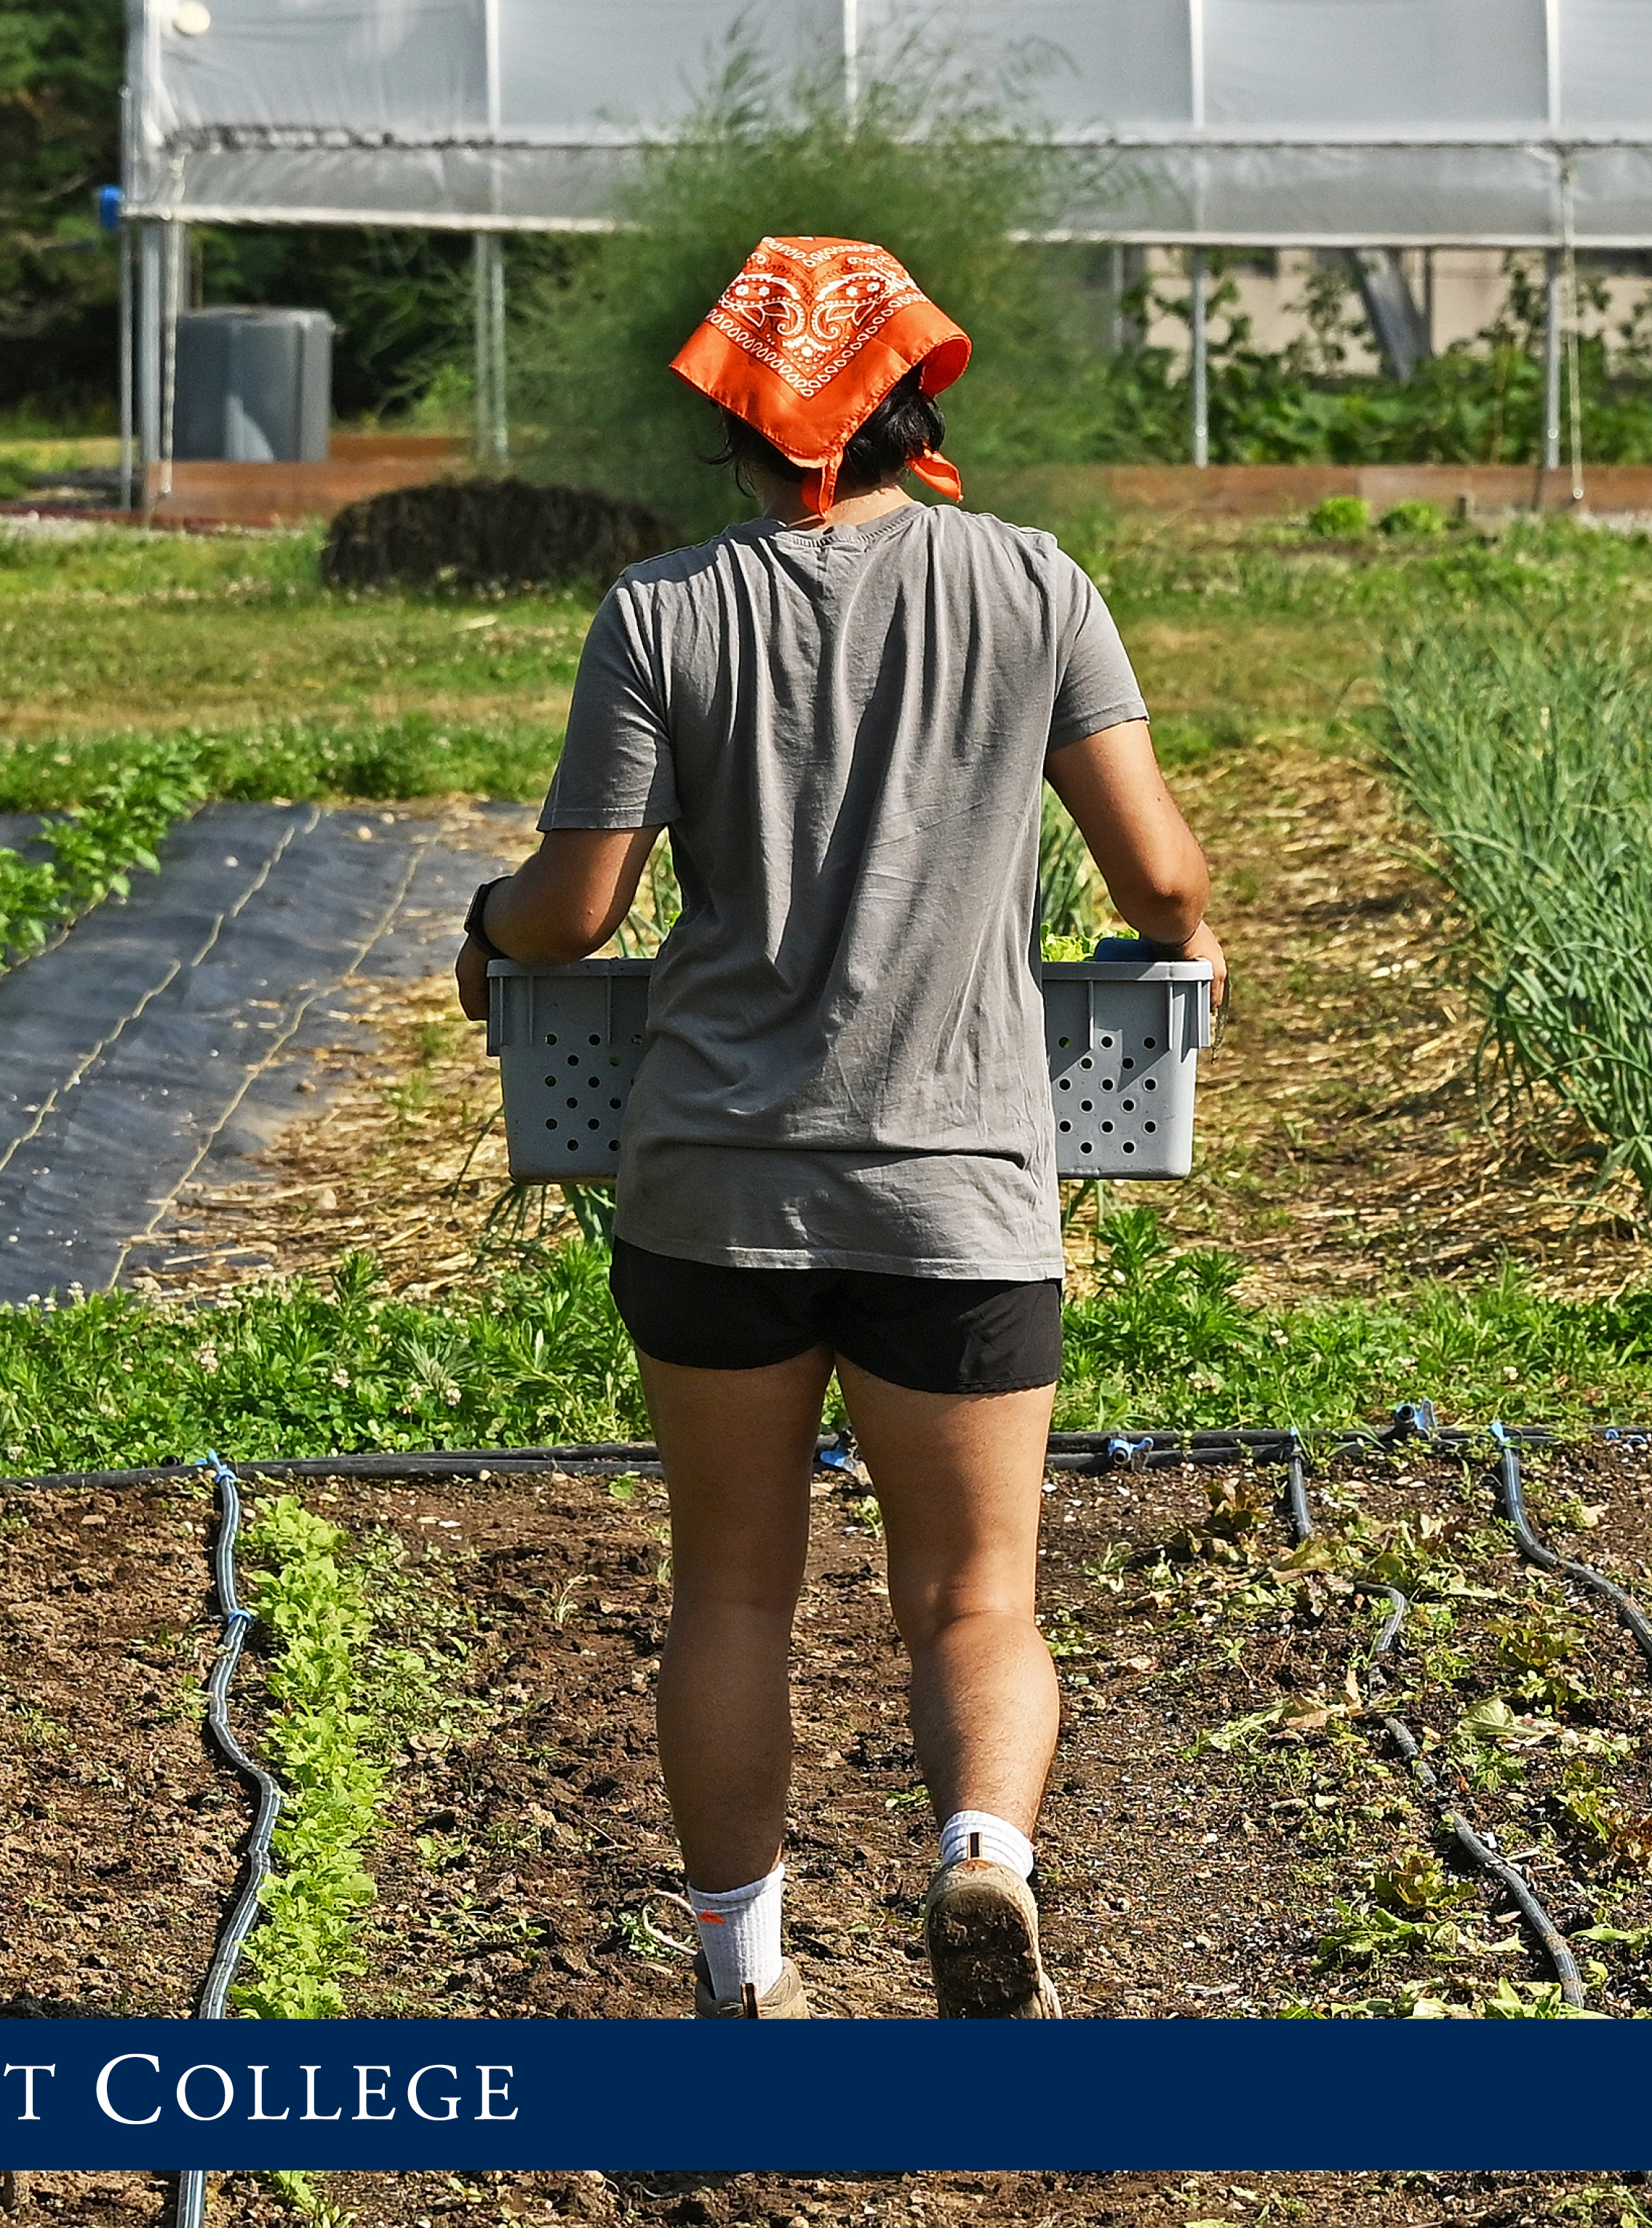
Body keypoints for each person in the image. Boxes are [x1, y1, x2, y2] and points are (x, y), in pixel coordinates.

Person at [455, 235, 1226, 2019]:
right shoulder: (1031, 586)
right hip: (960, 1187)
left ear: (735, 411)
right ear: (913, 401)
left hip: (712, 1183)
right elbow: (1161, 872)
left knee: (730, 1588)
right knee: (974, 1593)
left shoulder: (661, 610)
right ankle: (979, 1855)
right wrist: (1184, 941)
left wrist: (485, 928)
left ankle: (744, 1973)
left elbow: (572, 914)